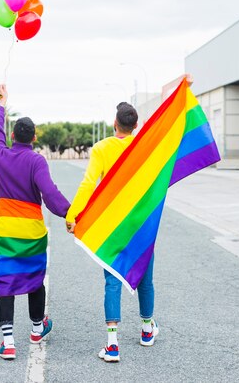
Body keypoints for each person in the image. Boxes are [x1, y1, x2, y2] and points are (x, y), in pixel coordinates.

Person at [65, 101, 158, 363]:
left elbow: (88, 184)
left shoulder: (102, 148)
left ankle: (113, 344)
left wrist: (72, 215)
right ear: (136, 126)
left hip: (112, 226)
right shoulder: (144, 149)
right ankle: (147, 329)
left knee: (112, 280)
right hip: (141, 225)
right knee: (145, 278)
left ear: (114, 124)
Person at [0, 84, 70, 360]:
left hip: (5, 229)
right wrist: (70, 214)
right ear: (34, 137)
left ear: (13, 135)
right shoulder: (37, 162)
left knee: (5, 281)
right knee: (35, 280)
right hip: (32, 230)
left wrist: (2, 104)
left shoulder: (0, 155)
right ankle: (37, 329)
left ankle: (8, 342)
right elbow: (50, 194)